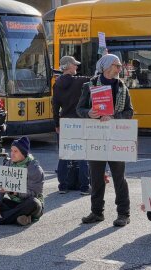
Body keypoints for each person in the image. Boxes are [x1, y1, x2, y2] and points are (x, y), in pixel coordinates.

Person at [77, 53, 134, 227]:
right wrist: (89, 113)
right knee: (96, 177)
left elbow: (129, 112)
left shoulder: (123, 87)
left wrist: (114, 116)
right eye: (117, 65)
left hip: (116, 136)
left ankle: (123, 214)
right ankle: (96, 212)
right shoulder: (90, 85)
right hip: (96, 136)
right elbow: (79, 108)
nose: (119, 68)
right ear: (107, 66)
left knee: (119, 177)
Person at [0, 136, 44, 226]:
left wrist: (14, 191)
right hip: (15, 204)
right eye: (11, 150)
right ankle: (23, 218)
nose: (12, 154)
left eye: (16, 151)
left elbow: (34, 194)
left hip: (31, 205)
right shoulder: (9, 163)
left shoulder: (34, 168)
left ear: (23, 153)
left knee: (33, 203)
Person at [52, 56, 90, 195]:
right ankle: (85, 187)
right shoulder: (79, 81)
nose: (76, 67)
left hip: (64, 122)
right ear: (68, 66)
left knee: (64, 155)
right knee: (82, 155)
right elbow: (95, 78)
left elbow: (55, 106)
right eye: (75, 65)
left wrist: (57, 124)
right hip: (78, 121)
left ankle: (63, 186)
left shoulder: (56, 84)